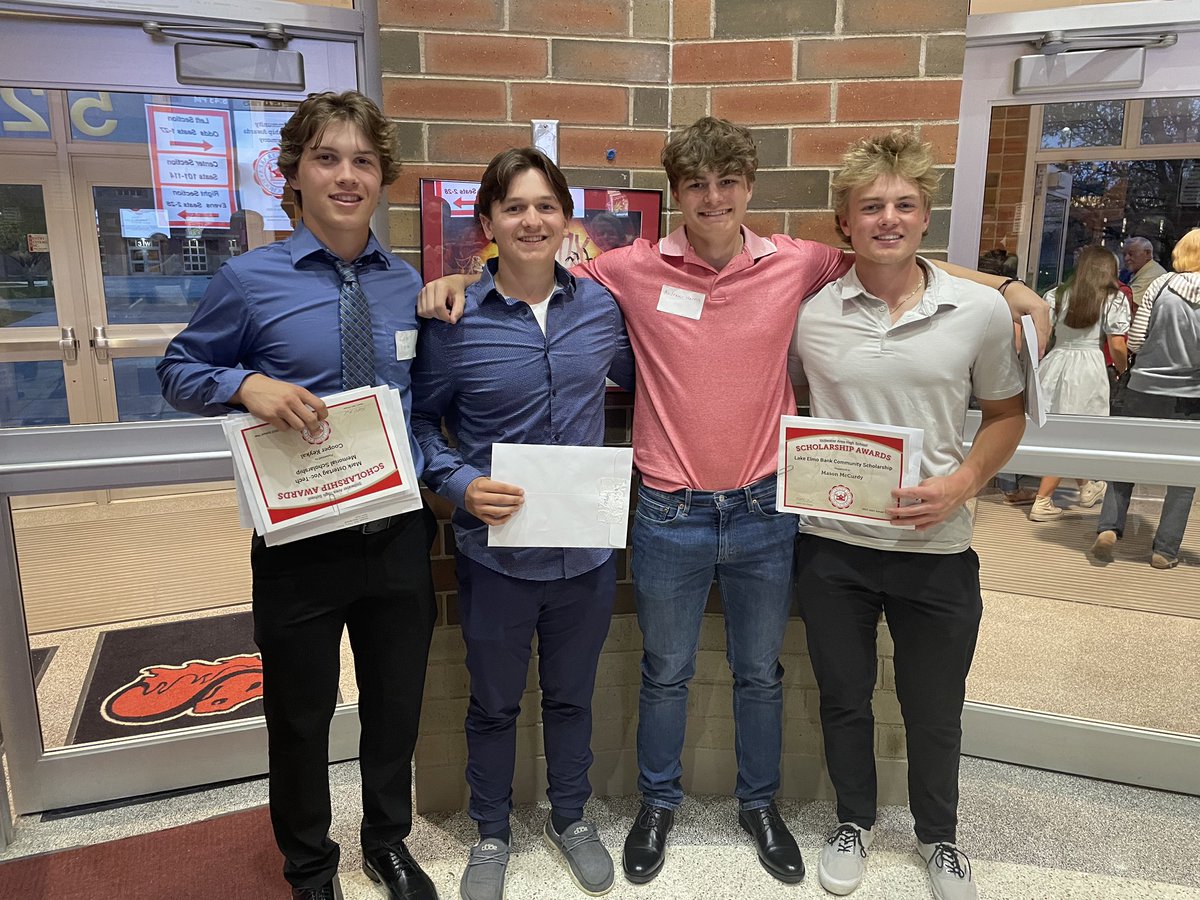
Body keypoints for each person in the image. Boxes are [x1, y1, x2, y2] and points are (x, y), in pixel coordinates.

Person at [419, 117, 1050, 888]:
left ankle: (760, 806)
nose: (713, 199)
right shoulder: (630, 268)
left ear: (749, 187)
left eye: (727, 183)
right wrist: (459, 276)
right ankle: (657, 806)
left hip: (764, 511)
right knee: (665, 671)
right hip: (667, 513)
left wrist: (1011, 287)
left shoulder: (797, 261)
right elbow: (533, 260)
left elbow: (894, 252)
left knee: (759, 672)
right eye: (695, 185)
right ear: (676, 193)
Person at [158, 91, 438, 900]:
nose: (346, 176)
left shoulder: (405, 284)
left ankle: (388, 842)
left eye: (362, 160)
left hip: (394, 533)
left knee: (394, 708)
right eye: (327, 158)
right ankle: (311, 868)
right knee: (301, 718)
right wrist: (245, 383)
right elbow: (178, 371)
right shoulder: (250, 279)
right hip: (298, 543)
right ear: (295, 174)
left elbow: (426, 394)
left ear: (382, 176)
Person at [789, 131, 1025, 900]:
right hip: (833, 547)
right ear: (845, 223)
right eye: (871, 206)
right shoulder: (809, 313)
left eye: (904, 204)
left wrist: (962, 483)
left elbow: (1005, 413)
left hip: (938, 547)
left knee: (934, 708)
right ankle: (853, 820)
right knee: (844, 696)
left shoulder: (979, 311)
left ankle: (939, 838)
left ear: (925, 218)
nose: (887, 218)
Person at [410, 148, 634, 900]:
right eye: (515, 207)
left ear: (566, 219)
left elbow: (657, 378)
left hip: (584, 557)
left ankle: (572, 818)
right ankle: (493, 832)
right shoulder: (454, 316)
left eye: (545, 206)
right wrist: (460, 483)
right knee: (494, 704)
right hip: (495, 558)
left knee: (573, 696)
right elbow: (420, 426)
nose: (532, 220)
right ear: (489, 224)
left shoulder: (604, 308)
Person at [1092, 228, 1200, 570]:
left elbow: (1136, 341)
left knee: (1126, 460)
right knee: (1183, 477)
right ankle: (1164, 551)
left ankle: (1109, 527)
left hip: (1143, 388)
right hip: (1190, 396)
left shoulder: (1160, 285)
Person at [1027, 246, 1130, 522]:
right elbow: (1117, 344)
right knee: (1075, 433)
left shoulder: (1057, 294)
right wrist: (1123, 368)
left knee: (1063, 427)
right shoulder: (1113, 298)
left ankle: (1086, 487)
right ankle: (1043, 499)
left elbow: (1042, 334)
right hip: (1088, 367)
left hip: (1056, 361)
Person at [1123, 236, 1168, 307]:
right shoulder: (1135, 272)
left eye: (1131, 254)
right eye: (1124, 255)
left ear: (1147, 254)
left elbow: (1126, 304)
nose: (1126, 258)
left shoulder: (1152, 274)